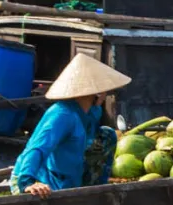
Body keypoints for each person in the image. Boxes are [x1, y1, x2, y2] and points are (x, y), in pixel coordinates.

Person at [11, 54, 129, 195]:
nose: (106, 94)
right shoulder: (62, 115)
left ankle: (93, 190)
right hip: (39, 179)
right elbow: (37, 148)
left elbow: (91, 146)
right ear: (97, 93)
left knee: (107, 135)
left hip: (68, 175)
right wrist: (27, 182)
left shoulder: (93, 111)